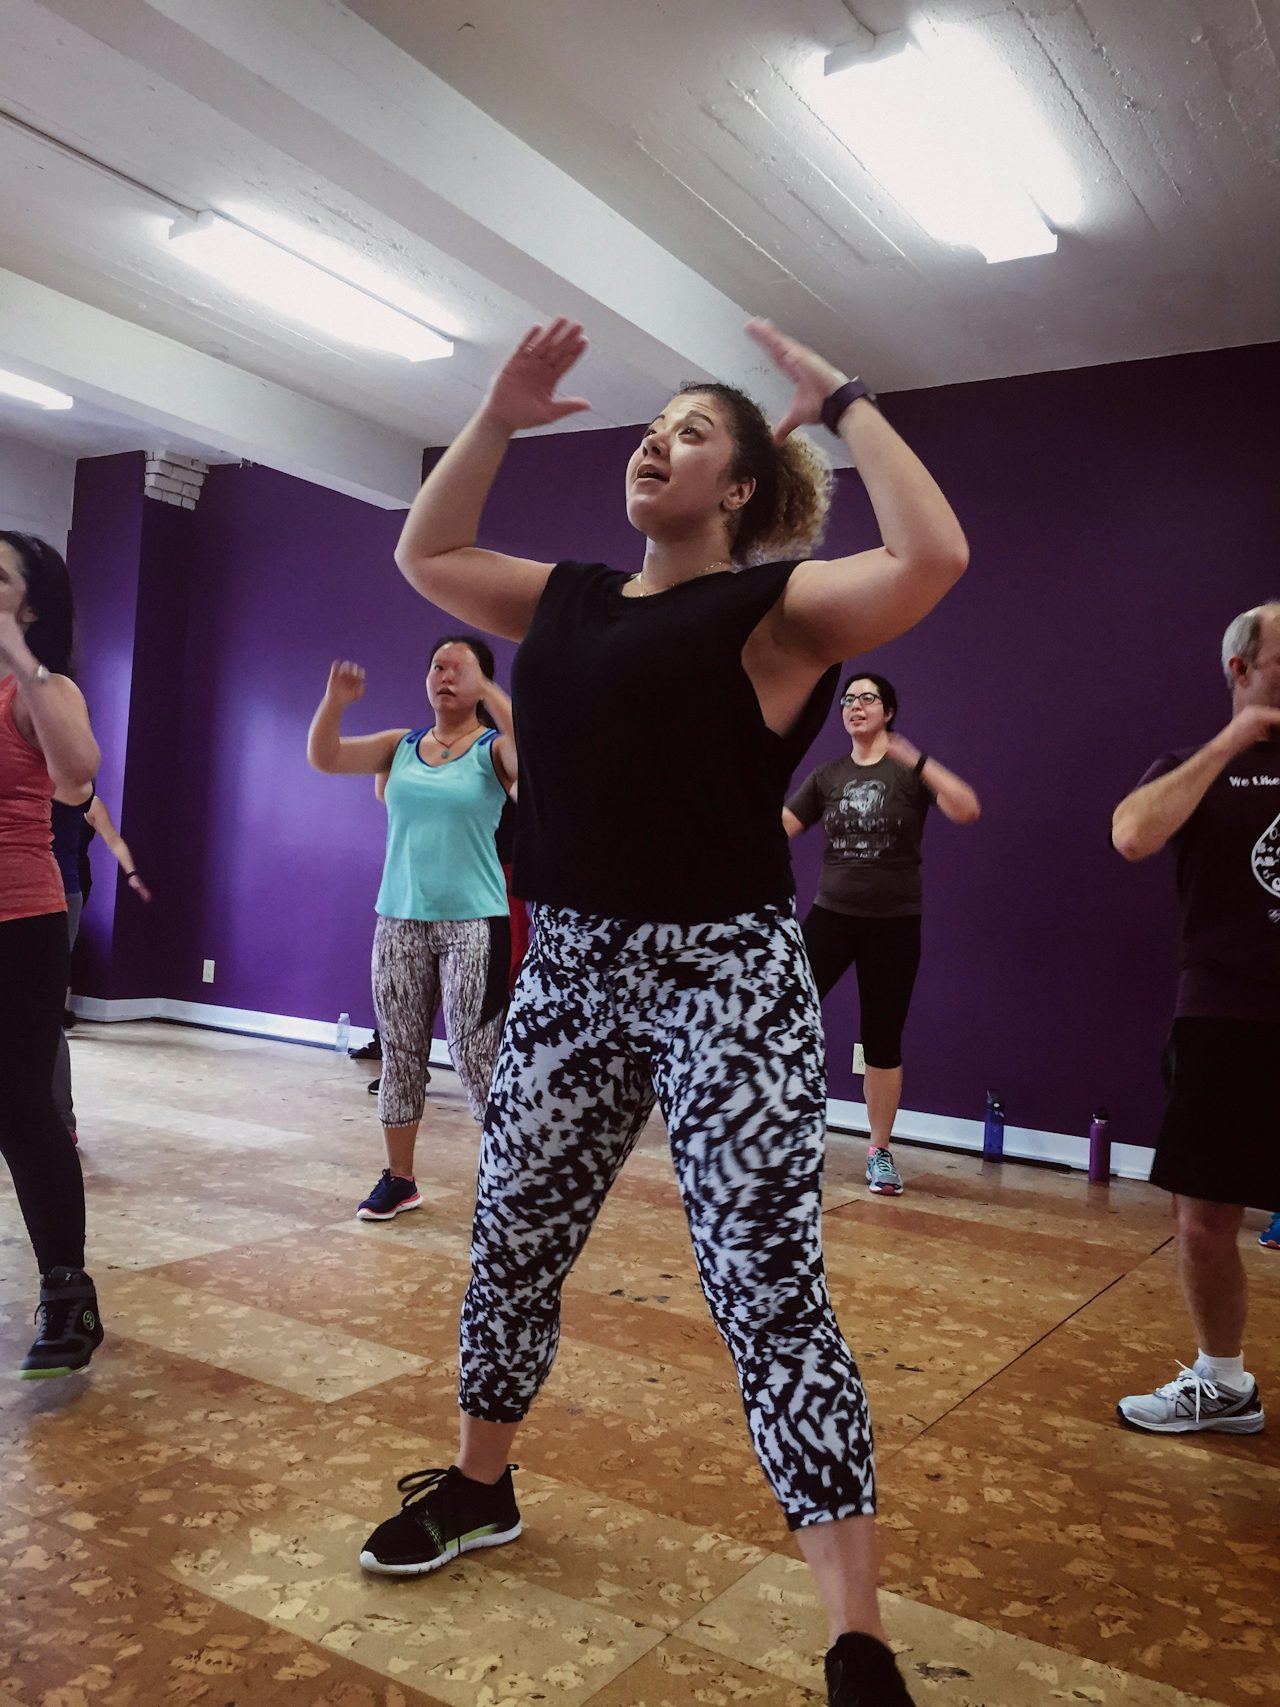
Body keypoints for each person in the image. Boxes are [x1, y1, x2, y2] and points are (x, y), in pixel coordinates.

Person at [359, 316, 968, 1707]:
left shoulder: (776, 612)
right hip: (570, 960)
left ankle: (854, 1631)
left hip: (726, 975)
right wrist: (502, 413)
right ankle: (478, 1484)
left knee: (765, 1285)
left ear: (742, 485)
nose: (660, 439)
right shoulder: (566, 595)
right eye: (656, 425)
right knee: (512, 1235)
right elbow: (427, 554)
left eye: (697, 432)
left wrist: (847, 400)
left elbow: (934, 557)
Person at [1112, 600, 1280, 1435]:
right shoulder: (1193, 765)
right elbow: (1133, 834)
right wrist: (1233, 742)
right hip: (1226, 1015)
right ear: (1240, 670)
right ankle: (1224, 1383)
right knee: (1204, 1221)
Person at [307, 637, 516, 1221]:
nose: (444, 675)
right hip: (399, 919)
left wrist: (495, 696)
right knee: (401, 1053)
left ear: (481, 682)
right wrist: (335, 702)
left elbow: (538, 764)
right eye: (436, 666)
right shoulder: (399, 747)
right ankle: (400, 1179)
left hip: (473, 921)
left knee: (479, 1055)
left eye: (459, 668)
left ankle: (507, 1183)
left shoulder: (494, 750)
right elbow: (325, 757)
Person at [784, 674, 980, 1196]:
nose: (855, 706)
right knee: (781, 1014)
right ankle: (778, 1132)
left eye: (867, 698)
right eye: (848, 700)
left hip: (893, 924)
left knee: (882, 1041)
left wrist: (915, 758)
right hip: (832, 916)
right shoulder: (828, 777)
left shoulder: (910, 775)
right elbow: (777, 828)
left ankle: (879, 1151)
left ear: (888, 711)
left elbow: (966, 807)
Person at [0, 530, 103, 1377]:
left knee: (21, 1106)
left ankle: (67, 1293)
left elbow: (76, 772)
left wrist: (15, 651)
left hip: (17, 920)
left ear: (29, 604)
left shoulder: (41, 687)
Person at [51, 785, 150, 1138]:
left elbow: (114, 840)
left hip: (67, 888)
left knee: (49, 991)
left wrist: (132, 873)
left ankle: (62, 1119)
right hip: (53, 888)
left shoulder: (87, 802)